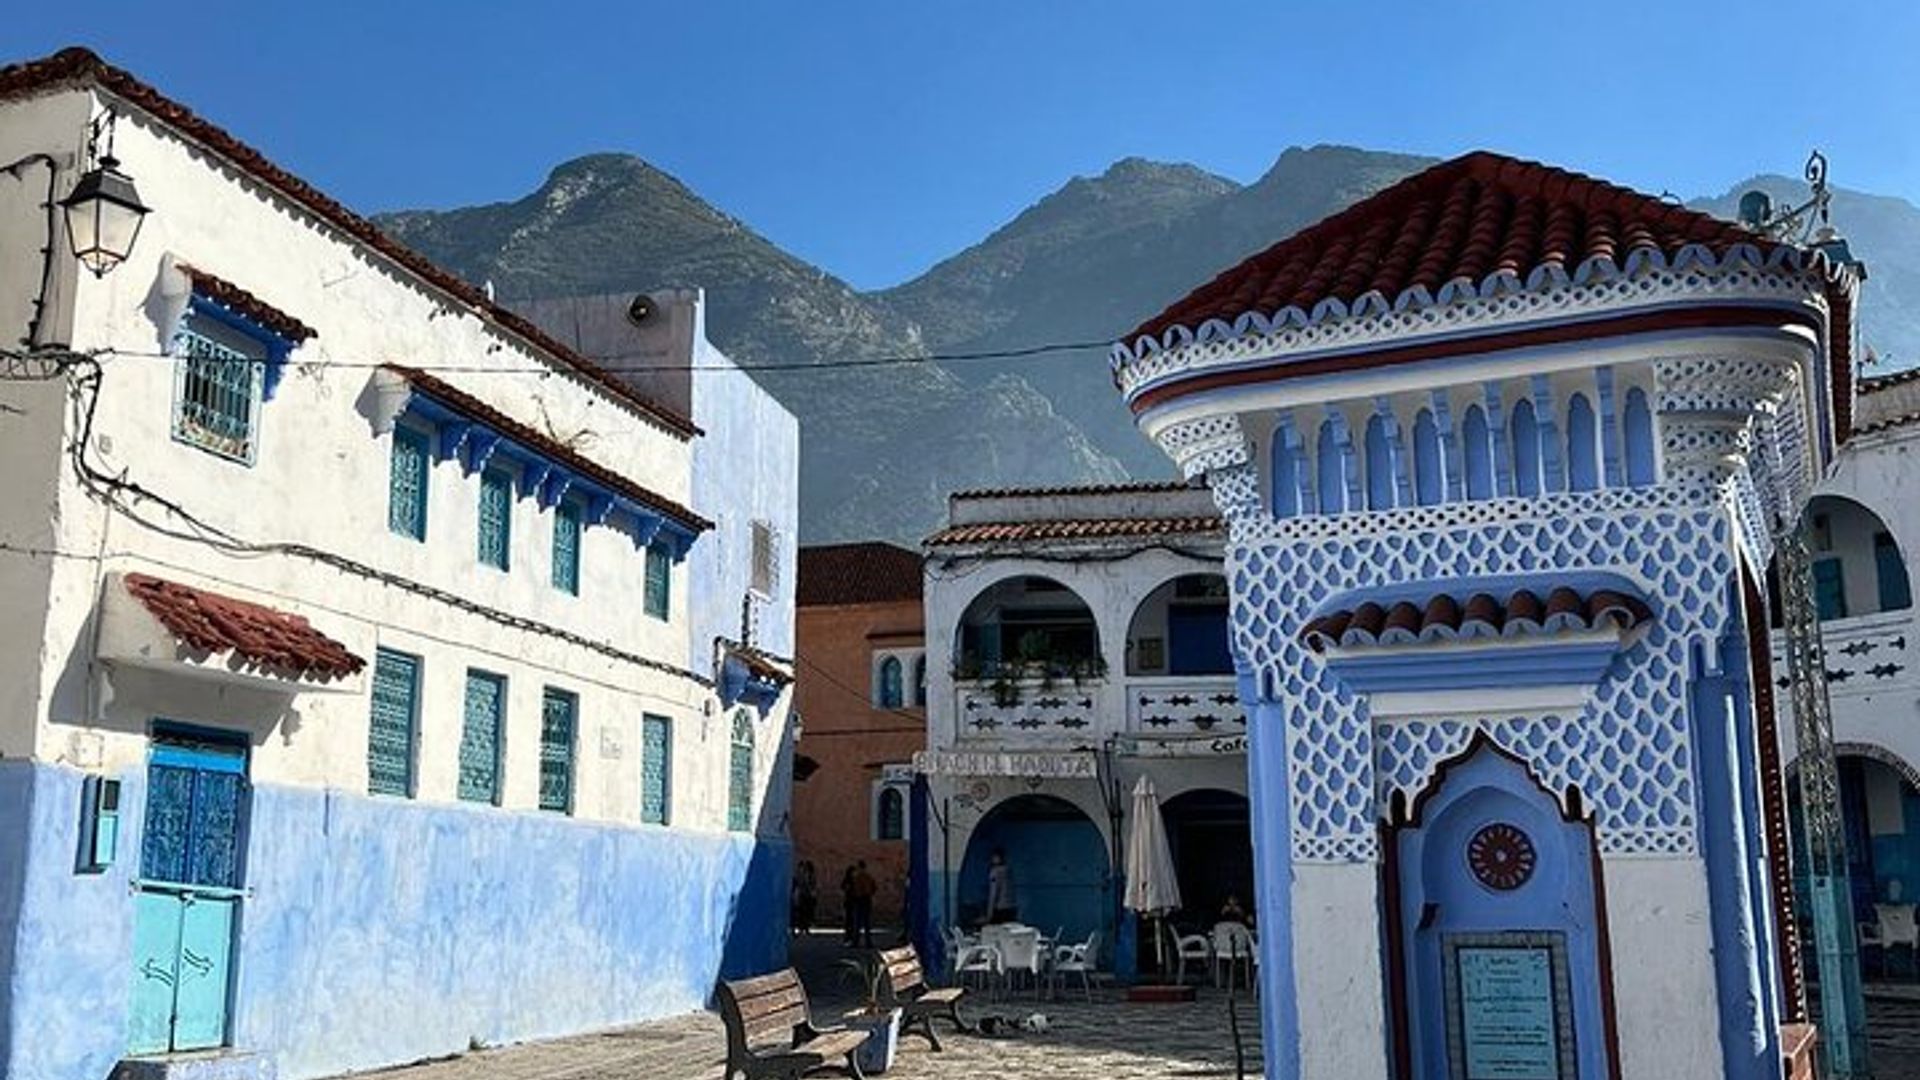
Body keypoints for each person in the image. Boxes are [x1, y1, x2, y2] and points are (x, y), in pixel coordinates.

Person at [849, 860, 878, 947]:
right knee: (867, 922)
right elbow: (874, 887)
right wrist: (870, 893)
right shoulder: (869, 877)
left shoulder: (856, 877)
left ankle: (855, 942)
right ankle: (868, 942)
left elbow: (853, 888)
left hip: (858, 899)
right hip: (867, 899)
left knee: (857, 922)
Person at [986, 848, 1017, 924]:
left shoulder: (995, 872)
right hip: (1011, 906)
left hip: (1000, 908)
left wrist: (989, 913)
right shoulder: (1008, 870)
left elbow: (993, 893)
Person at [791, 860, 818, 936]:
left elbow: (812, 885)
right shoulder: (800, 875)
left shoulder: (810, 875)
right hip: (802, 896)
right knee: (801, 913)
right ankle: (802, 928)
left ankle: (805, 928)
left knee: (806, 913)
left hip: (807, 896)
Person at [839, 865, 857, 945]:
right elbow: (843, 887)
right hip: (849, 901)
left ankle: (851, 937)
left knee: (852, 920)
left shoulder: (855, 880)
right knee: (849, 920)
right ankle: (848, 937)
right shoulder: (848, 880)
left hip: (853, 901)